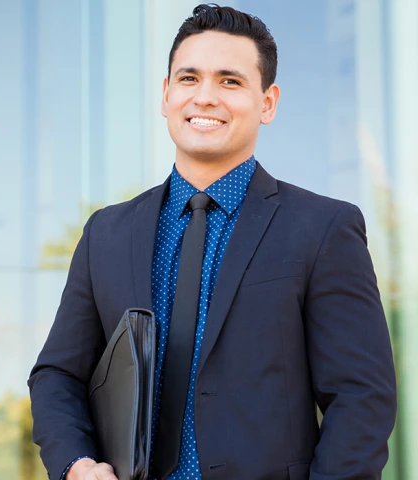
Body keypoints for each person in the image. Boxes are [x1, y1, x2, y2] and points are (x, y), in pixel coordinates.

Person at [28, 4, 396, 480]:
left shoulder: (324, 228)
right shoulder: (108, 233)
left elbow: (361, 398)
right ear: (165, 95)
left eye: (230, 81)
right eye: (188, 79)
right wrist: (76, 464)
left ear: (267, 102)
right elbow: (57, 375)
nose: (205, 97)